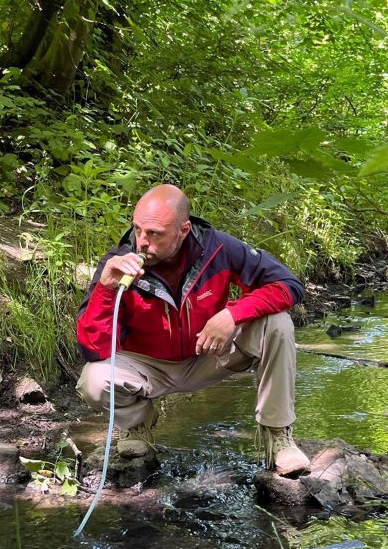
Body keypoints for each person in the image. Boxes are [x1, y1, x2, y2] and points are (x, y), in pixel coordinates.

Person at [76, 184, 310, 478]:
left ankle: (278, 436)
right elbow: (93, 348)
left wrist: (232, 315)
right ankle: (136, 426)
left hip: (209, 353)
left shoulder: (219, 249)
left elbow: (288, 285)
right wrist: (106, 289)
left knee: (278, 323)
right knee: (94, 380)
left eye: (154, 234)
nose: (142, 242)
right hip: (148, 366)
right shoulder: (118, 263)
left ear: (183, 230)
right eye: (137, 230)